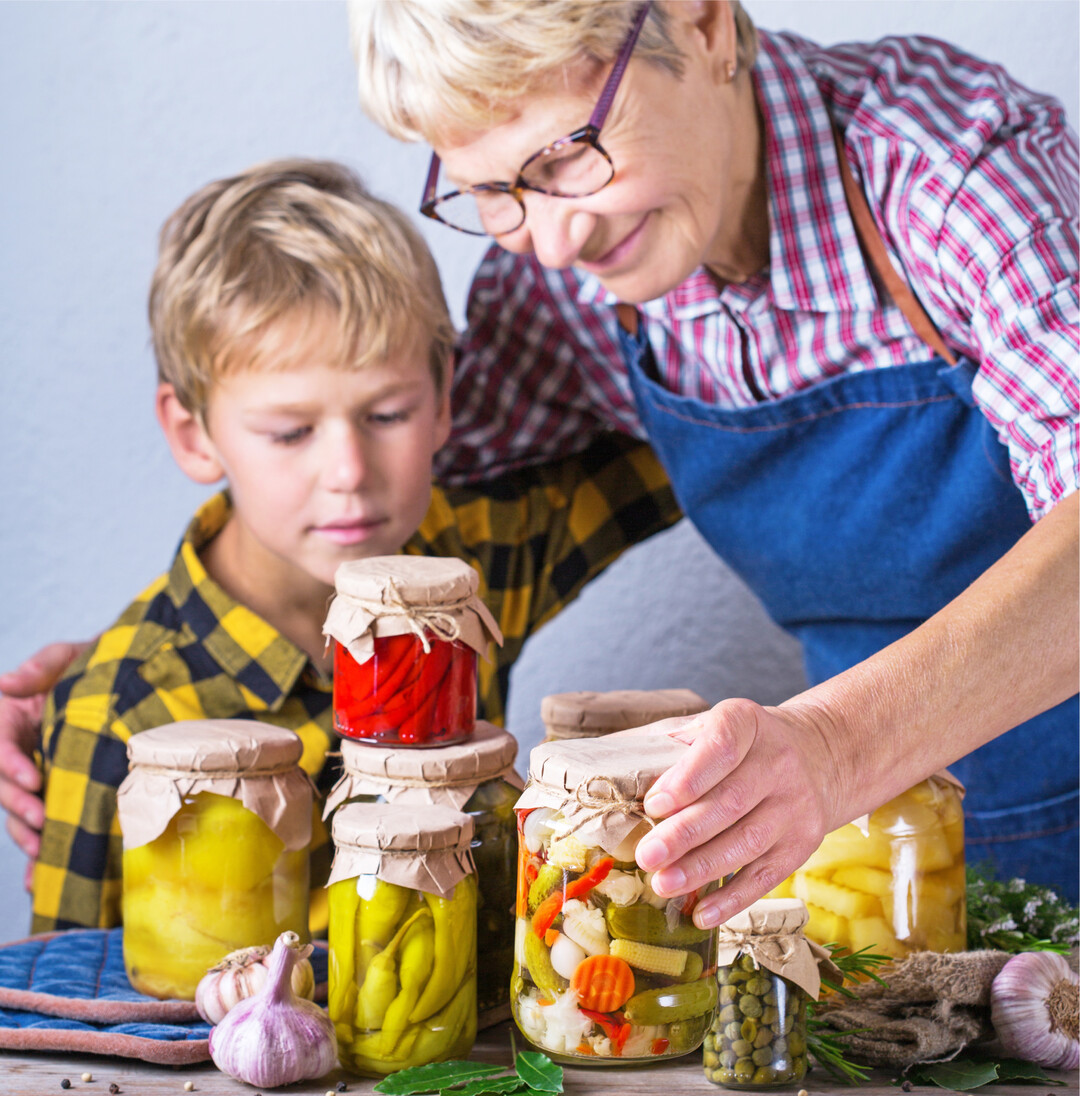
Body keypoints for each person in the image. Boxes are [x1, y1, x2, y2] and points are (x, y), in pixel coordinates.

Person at [343, 0, 1079, 924]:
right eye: (493, 192)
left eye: (569, 154)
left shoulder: (946, 176)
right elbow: (400, 491)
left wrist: (834, 750)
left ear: (704, 28)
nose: (557, 240)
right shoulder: (564, 292)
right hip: (875, 870)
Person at [21, 157, 680, 933]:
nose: (349, 473)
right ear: (193, 434)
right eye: (290, 432)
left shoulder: (462, 569)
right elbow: (63, 999)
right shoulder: (119, 709)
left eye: (389, 415)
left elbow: (708, 445)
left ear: (445, 398)